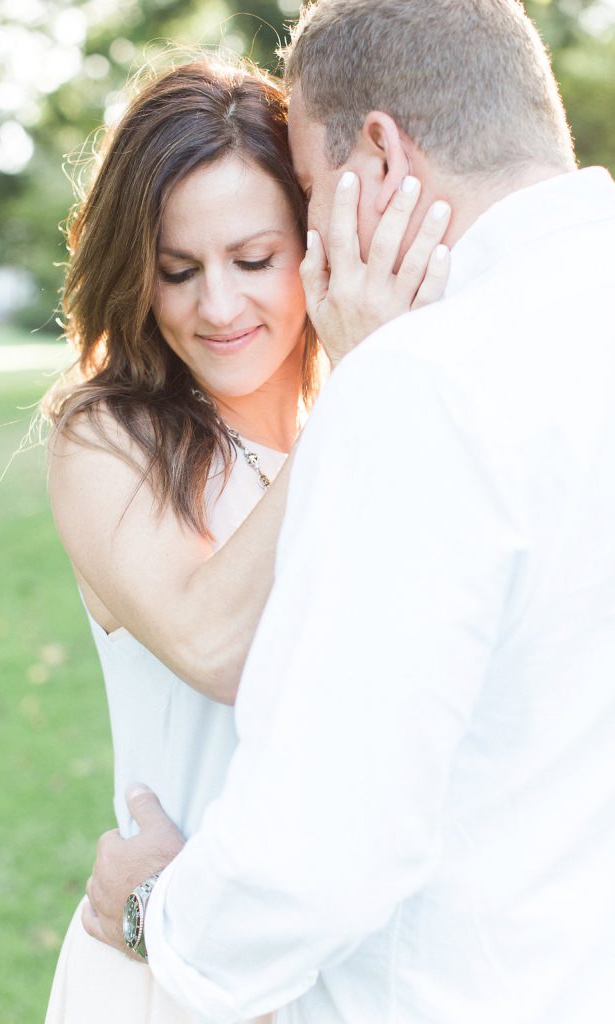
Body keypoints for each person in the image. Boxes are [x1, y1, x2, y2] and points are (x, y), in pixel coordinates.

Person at [84, 1, 615, 1022]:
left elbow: (326, 835)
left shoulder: (424, 380)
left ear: (376, 153)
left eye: (311, 194)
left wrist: (160, 913)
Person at [43, 56, 449, 1023]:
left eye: (253, 261)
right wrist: (358, 382)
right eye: (177, 272)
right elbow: (218, 646)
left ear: (315, 243)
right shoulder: (109, 437)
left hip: (364, 970)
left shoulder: (383, 418)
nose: (217, 308)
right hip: (175, 968)